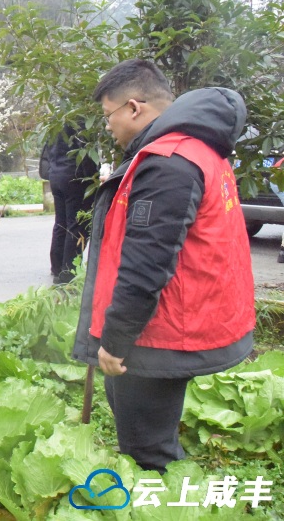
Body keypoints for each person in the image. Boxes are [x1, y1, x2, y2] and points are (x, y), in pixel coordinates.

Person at [72, 59, 254, 473]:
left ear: (134, 108)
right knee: (144, 430)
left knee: (148, 452)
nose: (109, 128)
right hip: (174, 321)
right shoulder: (198, 149)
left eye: (109, 116)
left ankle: (173, 506)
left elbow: (147, 264)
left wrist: (116, 341)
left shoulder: (168, 162)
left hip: (160, 332)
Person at [46, 122, 99, 284]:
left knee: (61, 223)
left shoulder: (58, 120)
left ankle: (57, 266)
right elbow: (87, 154)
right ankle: (69, 271)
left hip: (55, 174)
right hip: (75, 177)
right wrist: (93, 178)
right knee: (76, 225)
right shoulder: (82, 121)